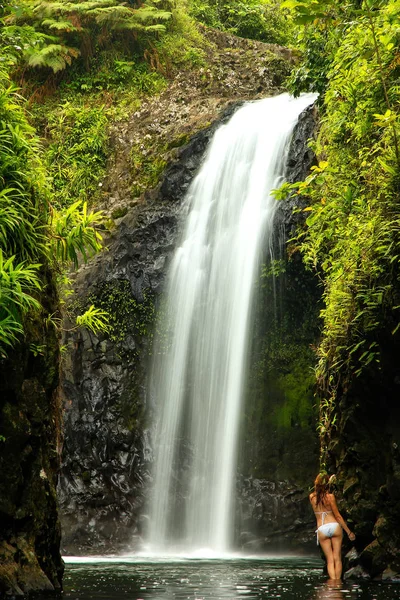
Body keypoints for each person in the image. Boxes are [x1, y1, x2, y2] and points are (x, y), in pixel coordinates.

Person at [310, 473, 356, 581]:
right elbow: (338, 516)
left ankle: (332, 583)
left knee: (330, 560)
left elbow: (318, 494)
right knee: (337, 558)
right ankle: (338, 583)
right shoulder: (330, 497)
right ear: (328, 484)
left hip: (322, 528)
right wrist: (349, 532)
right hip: (334, 526)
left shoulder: (312, 497)